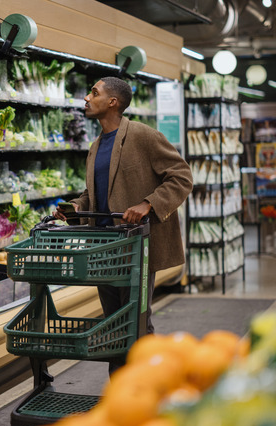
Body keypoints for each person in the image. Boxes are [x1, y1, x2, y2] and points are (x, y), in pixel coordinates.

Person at [53, 76, 192, 373]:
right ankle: (121, 389)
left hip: (135, 246)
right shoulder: (95, 146)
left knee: (137, 322)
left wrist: (148, 203)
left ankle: (148, 386)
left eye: (94, 93)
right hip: (104, 247)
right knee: (114, 322)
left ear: (113, 102)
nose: (87, 98)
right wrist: (76, 207)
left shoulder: (143, 136)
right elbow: (94, 195)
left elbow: (182, 176)